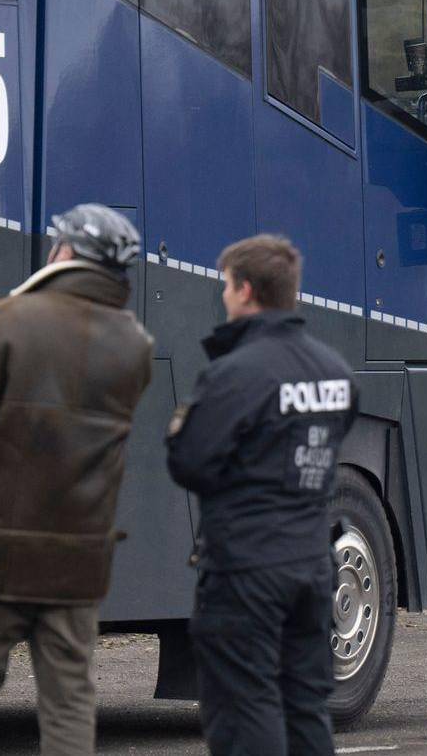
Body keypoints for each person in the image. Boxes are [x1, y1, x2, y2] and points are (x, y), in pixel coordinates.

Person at [0, 204, 155, 756]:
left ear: (69, 253)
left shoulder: (6, 320)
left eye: (57, 243)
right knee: (70, 703)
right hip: (77, 560)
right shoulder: (134, 348)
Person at [167, 234, 357, 756]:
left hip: (246, 570)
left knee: (244, 712)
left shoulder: (235, 374)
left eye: (226, 286)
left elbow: (189, 461)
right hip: (312, 567)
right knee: (306, 708)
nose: (224, 297)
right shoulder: (334, 371)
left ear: (246, 290)